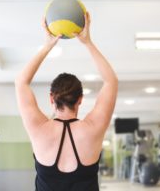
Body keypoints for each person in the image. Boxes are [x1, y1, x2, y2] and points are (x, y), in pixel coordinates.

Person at [15, 12, 118, 191]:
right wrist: (87, 42)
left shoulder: (39, 128)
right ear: (80, 99)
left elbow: (21, 82)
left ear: (51, 98)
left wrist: (48, 45)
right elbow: (111, 81)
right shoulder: (92, 128)